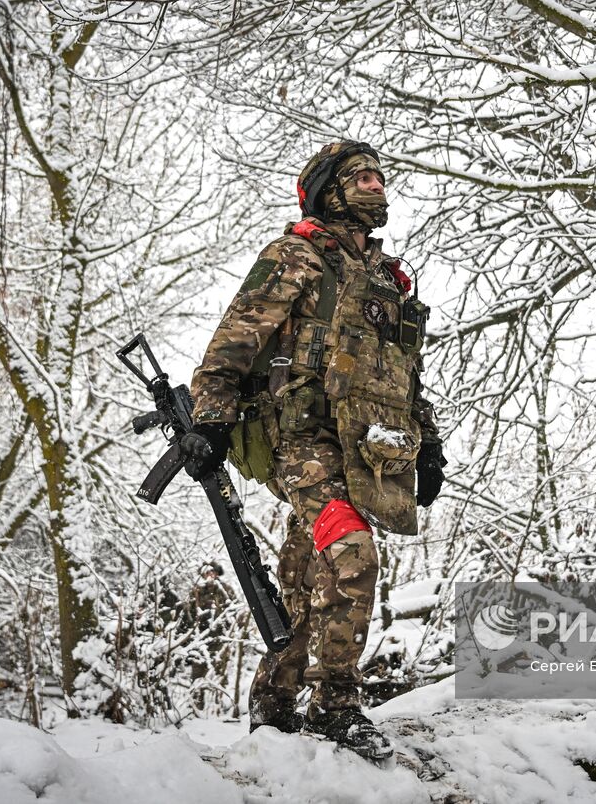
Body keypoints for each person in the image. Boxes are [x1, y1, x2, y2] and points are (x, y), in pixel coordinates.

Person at [179, 140, 446, 761]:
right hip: (297, 439)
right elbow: (233, 343)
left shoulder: (387, 281)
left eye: (381, 178)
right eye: (362, 178)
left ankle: (274, 708)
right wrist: (210, 419)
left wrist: (428, 444)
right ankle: (335, 709)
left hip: (369, 448)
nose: (378, 186)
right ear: (328, 190)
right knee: (352, 553)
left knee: (308, 576)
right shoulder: (294, 255)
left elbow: (404, 375)